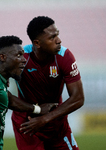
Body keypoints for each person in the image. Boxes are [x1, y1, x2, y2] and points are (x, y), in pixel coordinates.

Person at [12, 16, 85, 150]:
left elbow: (78, 98)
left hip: (56, 123)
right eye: (52, 38)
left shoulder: (65, 56)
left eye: (57, 34)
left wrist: (45, 119)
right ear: (37, 43)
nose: (59, 40)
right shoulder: (20, 58)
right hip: (27, 124)